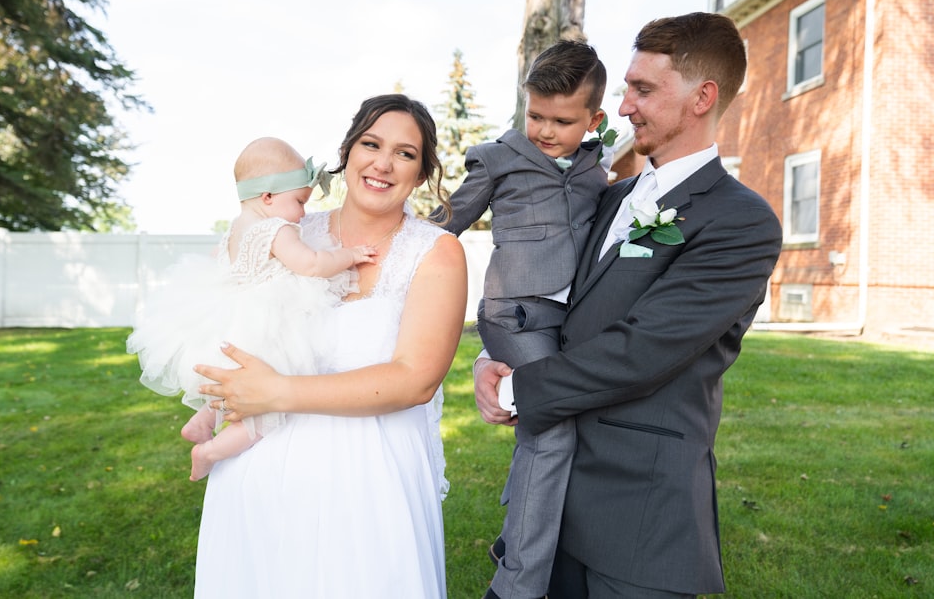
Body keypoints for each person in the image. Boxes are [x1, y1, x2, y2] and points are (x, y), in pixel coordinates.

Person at [474, 12, 783, 599]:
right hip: (549, 509)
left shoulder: (740, 221)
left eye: (642, 90)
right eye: (626, 90)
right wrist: (496, 361)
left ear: (703, 97)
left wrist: (521, 390)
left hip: (638, 520)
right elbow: (550, 299)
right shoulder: (608, 197)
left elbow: (642, 350)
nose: (622, 108)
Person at [191, 94, 468, 598]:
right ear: (347, 152)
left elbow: (416, 378)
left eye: (405, 154)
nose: (383, 163)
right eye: (371, 144)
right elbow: (233, 310)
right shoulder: (291, 231)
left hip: (369, 483)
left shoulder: (435, 253)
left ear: (423, 172)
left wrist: (277, 393)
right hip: (259, 471)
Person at [432, 39, 610, 599]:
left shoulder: (594, 167)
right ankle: (516, 586)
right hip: (512, 316)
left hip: (566, 321)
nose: (544, 130)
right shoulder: (498, 157)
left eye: (562, 120)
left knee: (548, 434)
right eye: (535, 114)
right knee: (553, 433)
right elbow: (445, 224)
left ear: (593, 120)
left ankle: (516, 539)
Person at [127, 136, 377, 481]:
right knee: (265, 405)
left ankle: (201, 420)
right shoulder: (276, 228)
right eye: (300, 201)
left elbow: (222, 264)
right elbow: (312, 264)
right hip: (268, 324)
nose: (303, 213)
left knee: (231, 382)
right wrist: (348, 255)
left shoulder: (235, 227)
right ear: (268, 197)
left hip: (231, 321)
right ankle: (210, 450)